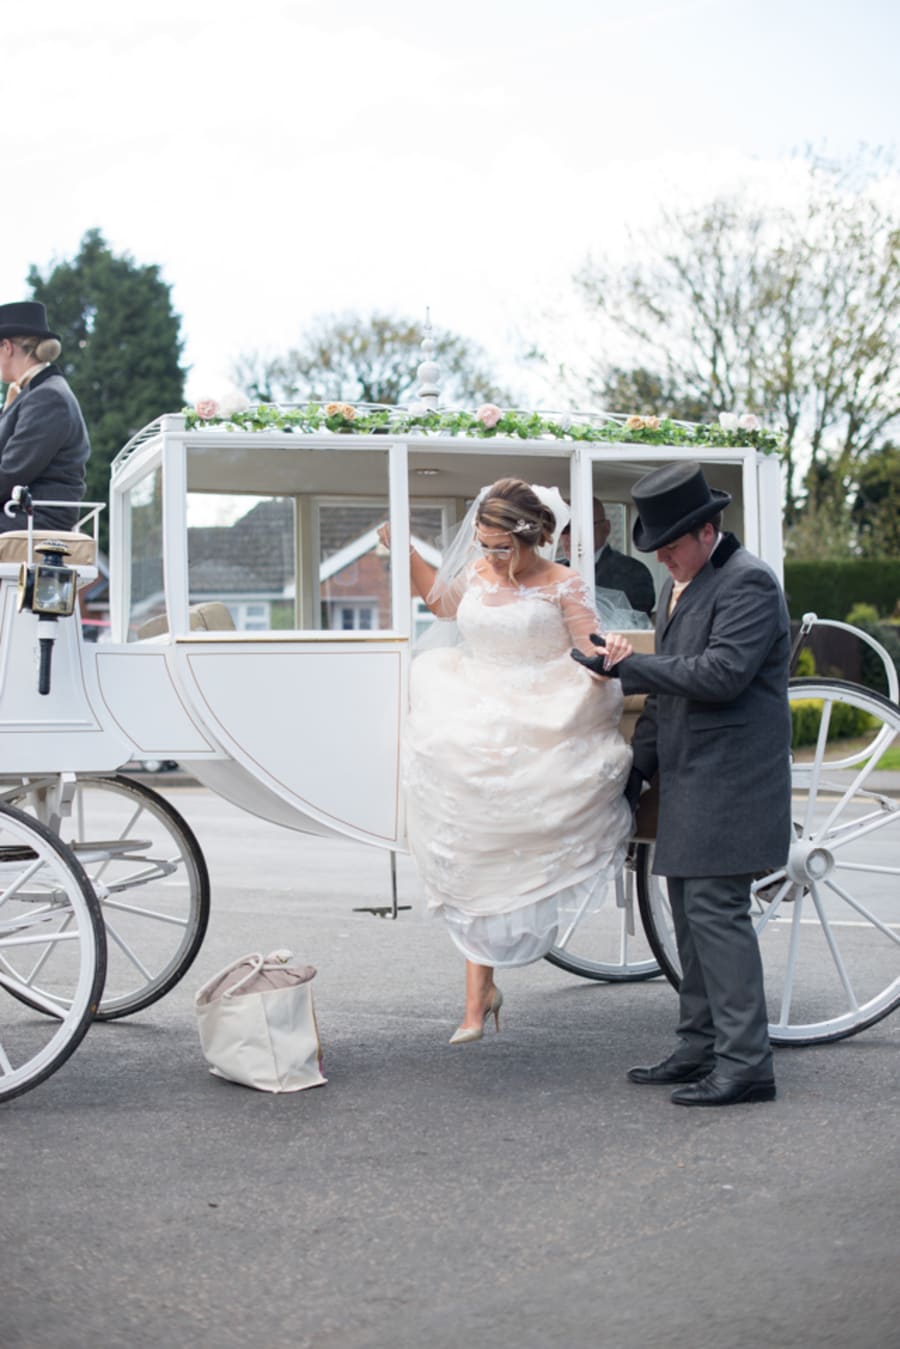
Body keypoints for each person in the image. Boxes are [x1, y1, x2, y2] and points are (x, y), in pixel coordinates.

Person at [379, 479, 633, 1044]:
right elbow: (441, 605)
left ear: (532, 538)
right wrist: (407, 552)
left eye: (502, 547)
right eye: (484, 545)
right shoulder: (475, 574)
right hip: (472, 701)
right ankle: (478, 995)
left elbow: (590, 653)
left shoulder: (563, 583)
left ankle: (479, 996)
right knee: (469, 829)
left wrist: (610, 655)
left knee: (504, 822)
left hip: (545, 708)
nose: (491, 557)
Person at [573, 462, 791, 1107]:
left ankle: (747, 1065)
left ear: (706, 530)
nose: (661, 556)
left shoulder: (749, 582)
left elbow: (721, 675)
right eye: (656, 546)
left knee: (717, 917)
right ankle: (700, 1045)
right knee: (692, 924)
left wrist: (630, 669)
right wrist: (635, 769)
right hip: (689, 780)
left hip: (732, 781)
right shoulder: (680, 586)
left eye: (670, 544)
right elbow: (668, 698)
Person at [0, 301, 89, 533]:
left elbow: (11, 471)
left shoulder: (47, 397)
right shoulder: (33, 393)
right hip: (17, 513)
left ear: (7, 347)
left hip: (34, 518)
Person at [560, 498, 656, 616]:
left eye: (580, 527)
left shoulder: (633, 572)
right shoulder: (552, 570)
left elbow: (636, 621)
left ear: (606, 528)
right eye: (563, 529)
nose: (569, 536)